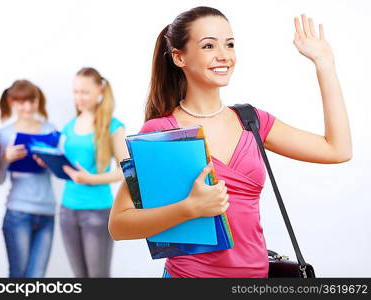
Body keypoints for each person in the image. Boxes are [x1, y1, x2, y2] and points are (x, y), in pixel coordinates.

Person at [108, 6, 352, 278]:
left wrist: (325, 65)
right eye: (209, 45)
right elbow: (119, 224)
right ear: (179, 57)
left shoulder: (252, 121)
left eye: (230, 44)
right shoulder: (161, 131)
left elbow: (337, 150)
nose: (223, 55)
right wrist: (190, 208)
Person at [58, 67, 127, 277]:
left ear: (100, 91)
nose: (79, 97)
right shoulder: (69, 127)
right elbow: (68, 166)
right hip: (67, 211)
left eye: (85, 92)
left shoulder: (113, 126)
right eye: (76, 91)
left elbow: (126, 170)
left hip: (97, 211)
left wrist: (92, 179)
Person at [0, 80, 57, 277]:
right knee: (18, 276)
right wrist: (5, 158)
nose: (27, 107)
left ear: (38, 101)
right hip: (18, 212)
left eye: (31, 101)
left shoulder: (51, 130)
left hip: (47, 211)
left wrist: (50, 163)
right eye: (21, 102)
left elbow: (62, 171)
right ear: (12, 102)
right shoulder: (4, 134)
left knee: (37, 277)